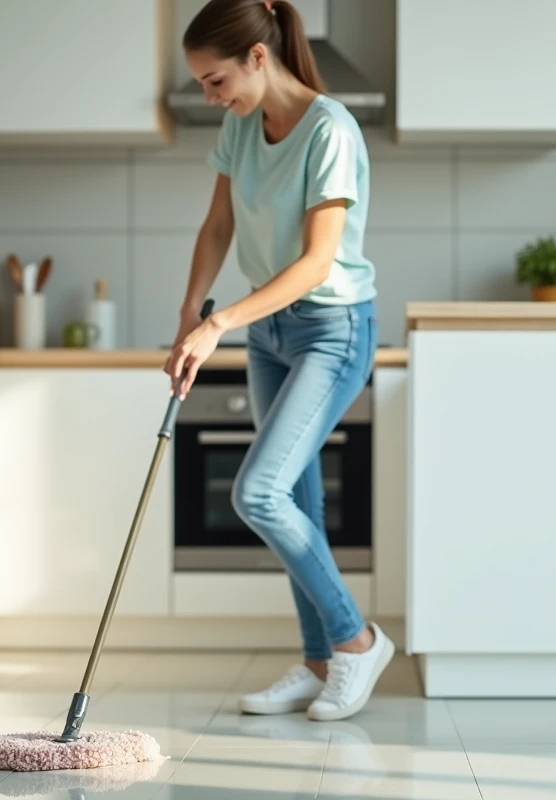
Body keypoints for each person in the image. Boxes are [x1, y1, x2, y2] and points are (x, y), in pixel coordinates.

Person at [165, 0, 391, 722]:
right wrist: (189, 313)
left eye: (216, 80)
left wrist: (222, 320)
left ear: (258, 58)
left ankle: (356, 642)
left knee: (257, 493)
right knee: (294, 500)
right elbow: (218, 224)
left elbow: (318, 263)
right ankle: (320, 660)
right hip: (270, 334)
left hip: (332, 330)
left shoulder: (331, 129)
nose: (210, 97)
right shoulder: (241, 125)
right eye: (201, 83)